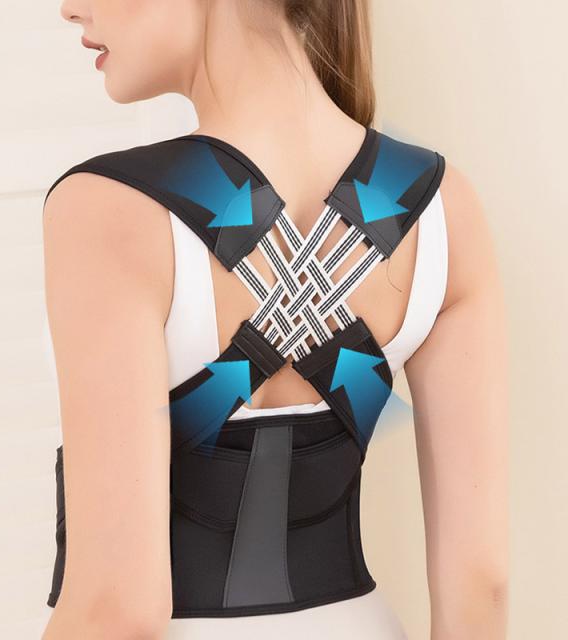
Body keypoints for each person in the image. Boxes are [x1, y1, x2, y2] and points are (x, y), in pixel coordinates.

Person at [40, 1, 509, 639]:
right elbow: (481, 584)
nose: (71, 9)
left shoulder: (107, 208)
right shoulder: (442, 205)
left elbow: (115, 610)